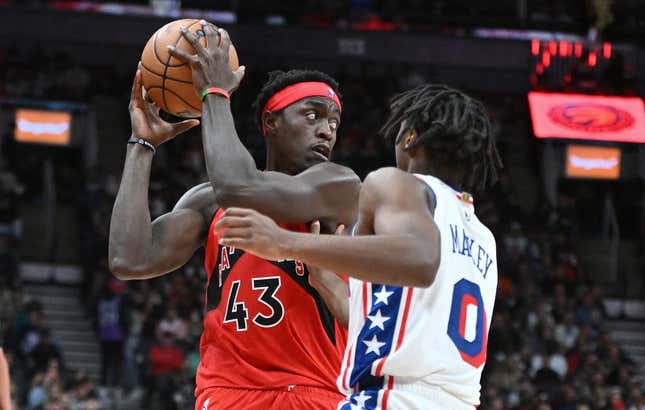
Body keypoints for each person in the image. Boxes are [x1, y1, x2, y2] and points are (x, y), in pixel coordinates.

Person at [109, 21, 360, 410]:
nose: (326, 129)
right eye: (312, 115)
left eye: (333, 121)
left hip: (314, 391)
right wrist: (141, 144)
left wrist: (214, 92)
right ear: (271, 123)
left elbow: (238, 187)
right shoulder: (209, 201)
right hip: (226, 393)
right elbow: (130, 258)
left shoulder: (338, 186)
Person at [215, 84, 503, 409]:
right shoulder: (482, 237)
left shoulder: (395, 184)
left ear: (409, 138)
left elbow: (419, 261)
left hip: (390, 399)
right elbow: (394, 327)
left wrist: (285, 242)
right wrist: (330, 286)